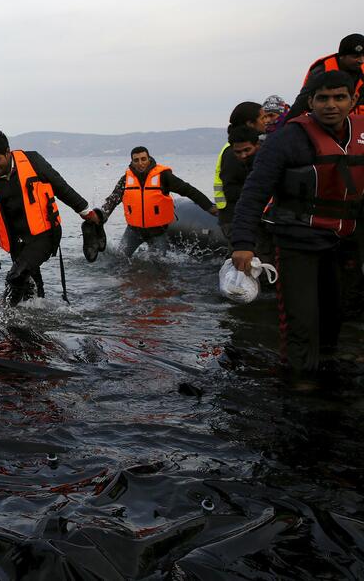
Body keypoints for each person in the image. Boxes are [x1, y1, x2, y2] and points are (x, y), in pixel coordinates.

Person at [230, 70, 364, 373]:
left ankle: (327, 367)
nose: (331, 105)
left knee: (335, 314)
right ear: (310, 102)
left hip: (344, 242)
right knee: (301, 320)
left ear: (353, 99)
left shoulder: (361, 134)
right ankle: (300, 382)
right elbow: (253, 194)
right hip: (297, 242)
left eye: (339, 97)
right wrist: (242, 243)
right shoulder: (287, 140)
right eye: (323, 98)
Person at [0, 131, 100, 305]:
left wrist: (85, 211)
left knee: (15, 277)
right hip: (17, 242)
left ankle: (4, 311)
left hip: (44, 235)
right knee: (28, 288)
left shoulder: (33, 162)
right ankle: (39, 311)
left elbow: (61, 187)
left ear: (7, 152)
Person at [101, 147, 217, 257]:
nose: (140, 163)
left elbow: (188, 190)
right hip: (134, 231)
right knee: (120, 258)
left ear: (149, 159)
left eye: (143, 159)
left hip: (157, 232)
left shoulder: (163, 176)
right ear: (132, 162)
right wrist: (102, 215)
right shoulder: (126, 179)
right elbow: (113, 200)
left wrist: (209, 207)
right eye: (136, 160)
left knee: (160, 264)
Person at [214, 102, 265, 239]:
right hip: (235, 218)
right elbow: (231, 190)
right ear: (250, 123)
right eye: (262, 118)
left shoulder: (251, 147)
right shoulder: (235, 152)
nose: (266, 121)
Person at [287, 33, 364, 120]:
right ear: (342, 56)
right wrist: (286, 125)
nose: (361, 60)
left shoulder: (362, 71)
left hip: (350, 120)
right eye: (355, 56)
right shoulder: (322, 70)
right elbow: (302, 102)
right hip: (323, 119)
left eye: (363, 55)